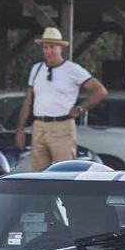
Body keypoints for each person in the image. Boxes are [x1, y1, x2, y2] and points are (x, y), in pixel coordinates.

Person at [14, 27, 107, 171]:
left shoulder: (72, 69)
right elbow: (28, 100)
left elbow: (100, 90)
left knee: (64, 172)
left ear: (60, 48)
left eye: (52, 47)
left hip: (62, 126)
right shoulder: (37, 68)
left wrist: (80, 108)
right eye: (45, 47)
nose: (48, 51)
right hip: (39, 126)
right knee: (38, 175)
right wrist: (20, 129)